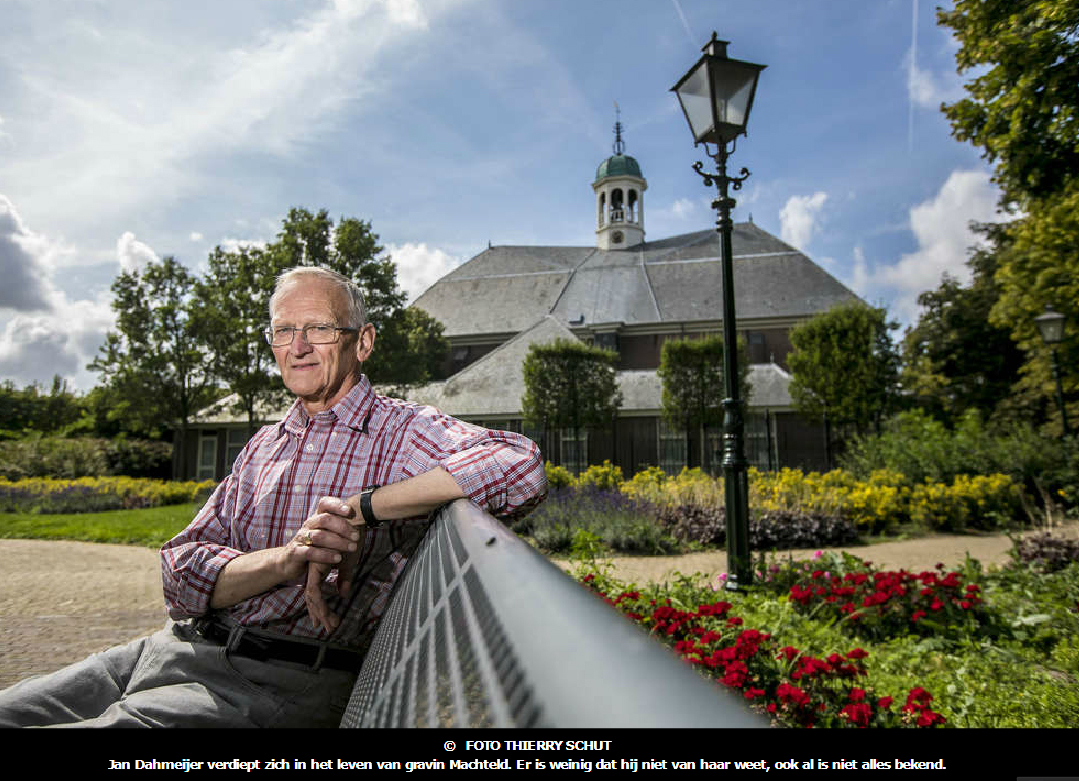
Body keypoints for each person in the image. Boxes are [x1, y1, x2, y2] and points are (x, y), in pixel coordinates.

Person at [0, 266, 547, 727]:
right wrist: (288, 561)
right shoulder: (268, 440)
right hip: (168, 649)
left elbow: (519, 465)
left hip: (271, 679)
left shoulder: (402, 432)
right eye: (283, 331)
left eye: (318, 329)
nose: (299, 347)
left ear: (364, 341)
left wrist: (362, 507)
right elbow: (181, 571)